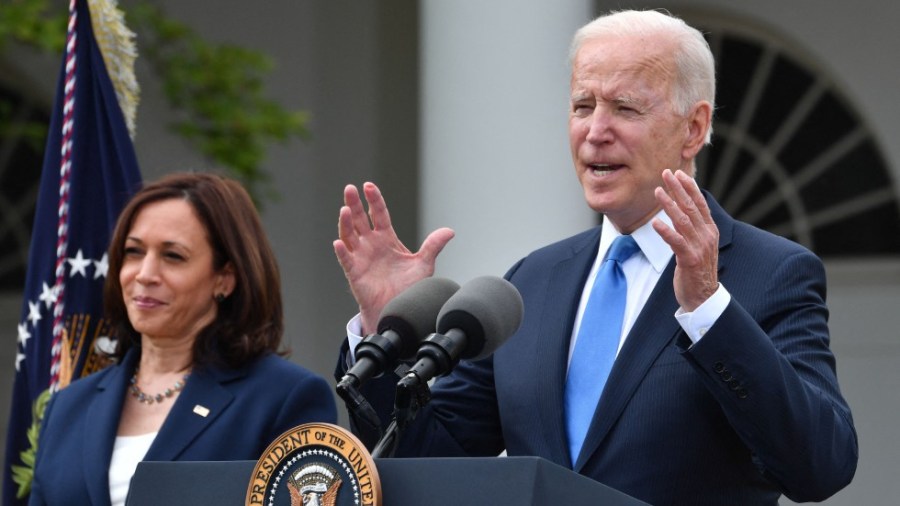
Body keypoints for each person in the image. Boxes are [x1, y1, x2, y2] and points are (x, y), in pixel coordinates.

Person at [332, 9, 858, 505]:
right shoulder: (530, 283)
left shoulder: (770, 273)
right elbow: (429, 458)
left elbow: (820, 465)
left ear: (693, 128)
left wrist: (707, 309)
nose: (595, 131)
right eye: (583, 106)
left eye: (625, 108)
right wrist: (386, 327)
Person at [30, 172, 337, 506]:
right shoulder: (67, 407)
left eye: (172, 256)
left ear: (225, 278)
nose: (145, 274)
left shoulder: (283, 398)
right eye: (133, 252)